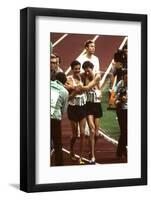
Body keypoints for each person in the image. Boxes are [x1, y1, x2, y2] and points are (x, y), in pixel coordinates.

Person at [81, 61, 103, 164]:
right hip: (89, 105)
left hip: (97, 105)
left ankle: (91, 149)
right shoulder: (83, 76)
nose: (87, 72)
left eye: (88, 70)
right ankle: (93, 156)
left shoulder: (97, 76)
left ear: (92, 68)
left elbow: (87, 87)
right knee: (92, 130)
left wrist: (79, 88)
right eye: (85, 71)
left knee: (97, 134)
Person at [67, 60, 87, 164]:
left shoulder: (82, 77)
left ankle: (81, 157)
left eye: (79, 68)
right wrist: (76, 91)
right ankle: (71, 150)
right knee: (75, 135)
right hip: (73, 109)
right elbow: (68, 97)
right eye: (76, 69)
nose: (78, 70)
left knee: (83, 133)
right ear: (72, 69)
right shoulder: (68, 80)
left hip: (82, 108)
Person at [51, 72, 69, 166]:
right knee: (57, 143)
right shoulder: (65, 92)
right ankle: (59, 164)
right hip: (55, 119)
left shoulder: (48, 84)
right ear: (64, 82)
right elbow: (64, 110)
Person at [115, 69, 127, 159]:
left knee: (127, 132)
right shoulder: (120, 84)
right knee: (124, 131)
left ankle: (121, 150)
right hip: (122, 110)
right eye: (126, 77)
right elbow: (114, 98)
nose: (128, 79)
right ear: (123, 77)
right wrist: (120, 99)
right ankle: (121, 151)